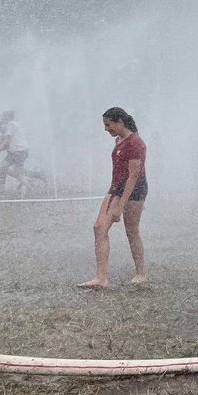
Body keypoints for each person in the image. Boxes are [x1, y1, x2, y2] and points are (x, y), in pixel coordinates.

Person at [77, 107, 148, 288]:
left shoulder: (136, 143)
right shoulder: (119, 140)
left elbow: (133, 177)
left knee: (131, 231)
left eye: (108, 125)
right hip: (116, 188)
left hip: (134, 190)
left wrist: (120, 206)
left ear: (120, 122)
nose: (106, 129)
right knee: (99, 227)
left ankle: (141, 273)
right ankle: (101, 278)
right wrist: (114, 196)